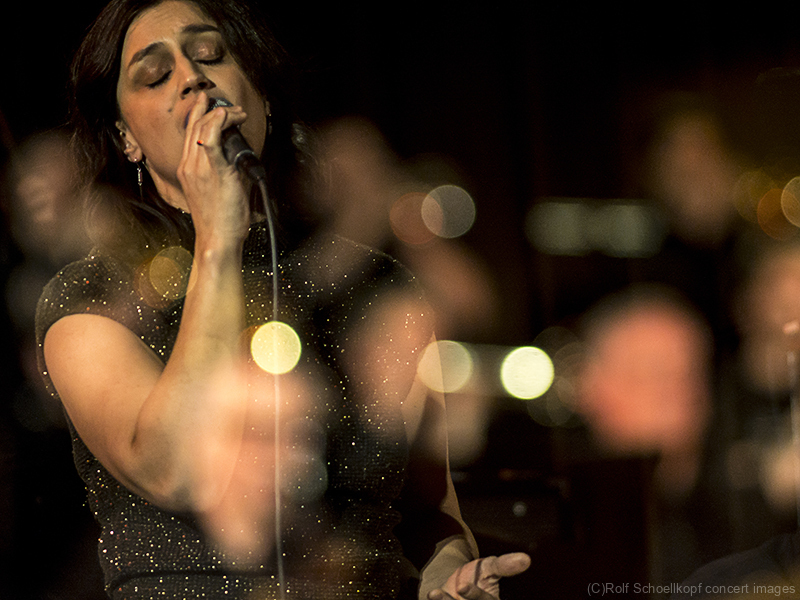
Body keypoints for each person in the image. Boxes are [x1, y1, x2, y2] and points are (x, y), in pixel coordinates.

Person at [33, 0, 530, 598]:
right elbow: (173, 469)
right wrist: (217, 237)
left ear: (261, 95)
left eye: (210, 54)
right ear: (126, 137)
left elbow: (430, 515)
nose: (192, 78)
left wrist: (450, 574)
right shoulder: (91, 297)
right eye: (156, 75)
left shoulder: (368, 283)